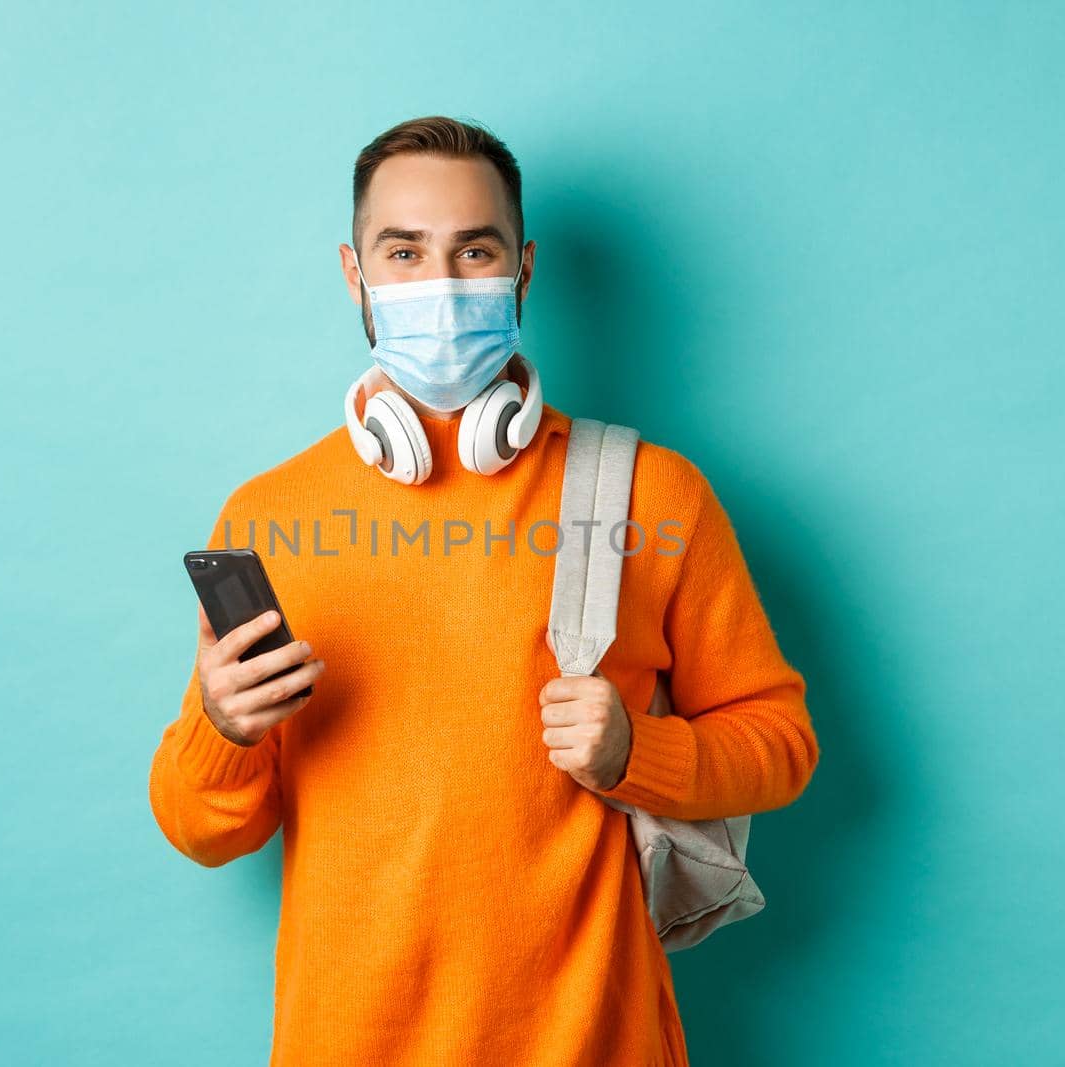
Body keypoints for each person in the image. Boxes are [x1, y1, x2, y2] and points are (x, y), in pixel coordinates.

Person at [149, 115, 820, 1067]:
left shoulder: (649, 494)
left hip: (593, 1040)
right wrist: (225, 727)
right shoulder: (271, 515)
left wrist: (641, 752)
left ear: (524, 267)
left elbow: (781, 744)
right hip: (348, 1040)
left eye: (474, 249)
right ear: (356, 274)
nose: (442, 282)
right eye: (404, 251)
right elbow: (200, 831)